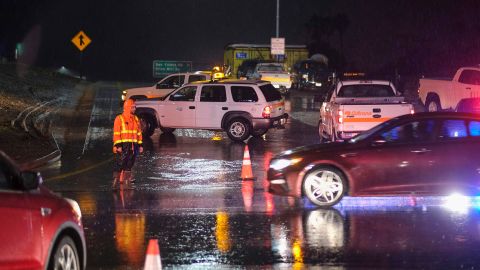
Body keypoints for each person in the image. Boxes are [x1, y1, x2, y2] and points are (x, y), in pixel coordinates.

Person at [112, 98, 143, 188]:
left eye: (134, 107)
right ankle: (115, 182)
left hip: (133, 145)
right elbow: (116, 133)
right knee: (121, 163)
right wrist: (118, 145)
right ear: (128, 108)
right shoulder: (119, 118)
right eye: (133, 107)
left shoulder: (136, 119)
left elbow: (139, 133)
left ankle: (126, 183)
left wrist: (140, 144)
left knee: (130, 164)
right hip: (123, 145)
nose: (135, 109)